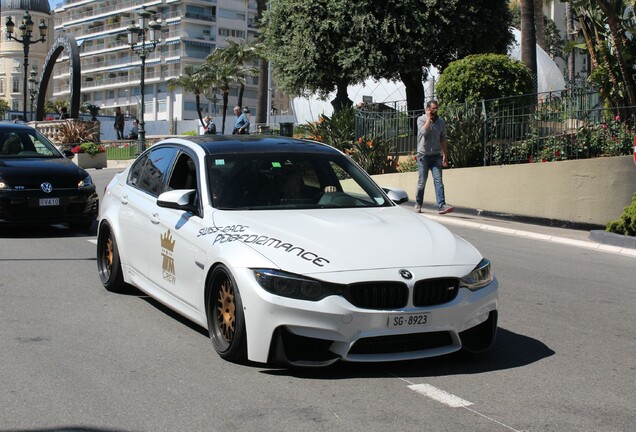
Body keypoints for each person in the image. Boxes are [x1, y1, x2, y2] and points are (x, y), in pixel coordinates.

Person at [414, 100, 454, 215]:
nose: (435, 110)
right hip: (423, 155)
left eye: (436, 108)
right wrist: (428, 119)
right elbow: (423, 132)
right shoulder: (421, 120)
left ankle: (441, 205)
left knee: (438, 181)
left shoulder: (441, 122)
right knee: (422, 181)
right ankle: (418, 203)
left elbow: (442, 139)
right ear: (427, 109)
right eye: (432, 109)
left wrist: (445, 154)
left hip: (436, 155)